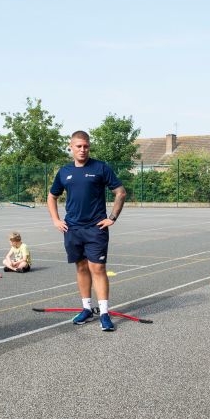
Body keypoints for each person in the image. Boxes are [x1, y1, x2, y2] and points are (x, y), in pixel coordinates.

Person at [47, 130, 127, 331]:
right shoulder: (64, 172)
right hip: (72, 228)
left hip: (95, 228)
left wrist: (112, 218)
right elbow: (52, 196)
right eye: (79, 146)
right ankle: (86, 309)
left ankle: (105, 313)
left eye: (86, 146)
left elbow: (120, 192)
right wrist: (56, 220)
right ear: (71, 147)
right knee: (81, 268)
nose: (83, 150)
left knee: (98, 269)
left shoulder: (100, 167)